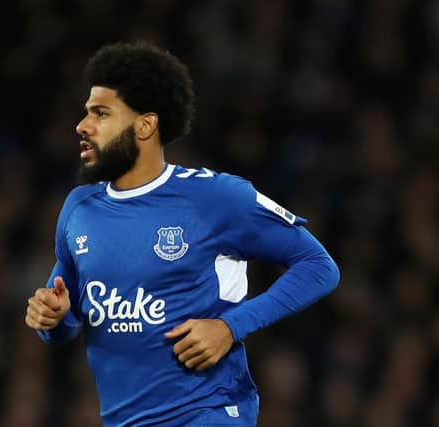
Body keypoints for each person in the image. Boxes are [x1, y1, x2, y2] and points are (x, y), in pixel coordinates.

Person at [25, 41, 340, 427]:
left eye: (101, 113)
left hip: (210, 414)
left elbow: (318, 266)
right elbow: (64, 324)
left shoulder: (215, 197)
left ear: (145, 125)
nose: (82, 126)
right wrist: (52, 318)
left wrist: (231, 326)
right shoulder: (79, 209)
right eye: (86, 112)